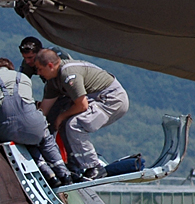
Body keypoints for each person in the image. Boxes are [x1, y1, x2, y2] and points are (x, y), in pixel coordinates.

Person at [34, 49, 129, 181]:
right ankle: (74, 166)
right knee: (65, 123)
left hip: (112, 100)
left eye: (40, 69)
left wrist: (61, 116)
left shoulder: (68, 74)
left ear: (50, 66)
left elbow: (82, 105)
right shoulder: (53, 82)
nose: (38, 73)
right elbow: (44, 109)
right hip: (97, 99)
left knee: (75, 124)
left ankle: (95, 167)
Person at [0, 58, 71, 188]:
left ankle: (48, 173)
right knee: (45, 141)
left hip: (5, 130)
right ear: (11, 68)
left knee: (23, 142)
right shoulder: (23, 77)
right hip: (33, 125)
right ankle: (64, 174)